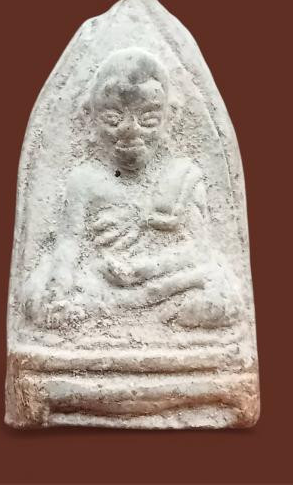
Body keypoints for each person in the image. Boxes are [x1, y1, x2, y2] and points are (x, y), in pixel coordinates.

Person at [24, 48, 241, 329]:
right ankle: (132, 310)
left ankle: (120, 309)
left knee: (220, 289)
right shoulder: (84, 179)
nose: (130, 131)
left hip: (166, 277)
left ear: (170, 117)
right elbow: (68, 245)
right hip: (99, 278)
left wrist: (141, 270)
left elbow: (200, 251)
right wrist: (60, 287)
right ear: (90, 117)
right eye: (113, 119)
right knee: (37, 295)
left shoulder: (183, 176)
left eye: (148, 120)